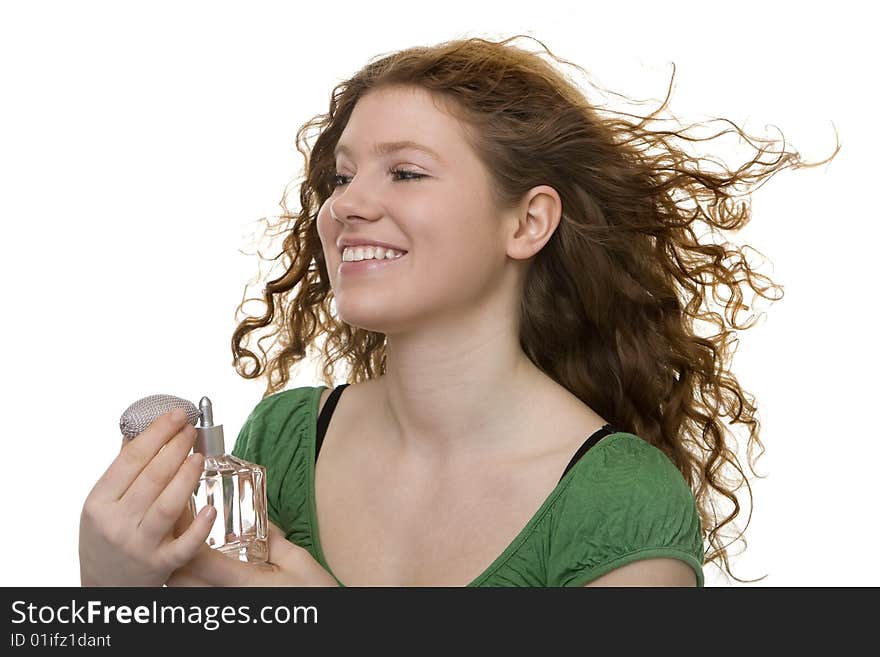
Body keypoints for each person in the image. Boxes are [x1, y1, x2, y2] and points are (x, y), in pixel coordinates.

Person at [78, 34, 838, 587]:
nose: (348, 207)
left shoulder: (620, 504)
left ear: (527, 222)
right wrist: (112, 591)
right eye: (341, 178)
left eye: (405, 172)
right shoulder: (278, 438)